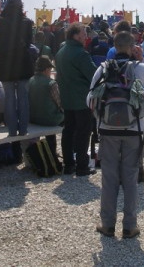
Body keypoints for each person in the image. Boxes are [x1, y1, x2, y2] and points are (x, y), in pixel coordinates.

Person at [90, 31, 144, 239]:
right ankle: (130, 226)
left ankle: (107, 224)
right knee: (130, 178)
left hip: (107, 130)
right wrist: (143, 59)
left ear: (114, 46)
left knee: (109, 178)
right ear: (132, 47)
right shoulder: (138, 68)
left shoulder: (103, 68)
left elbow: (90, 98)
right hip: (133, 130)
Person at [55, 22, 98, 176]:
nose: (86, 37)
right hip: (81, 99)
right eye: (83, 34)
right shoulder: (81, 54)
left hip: (66, 98)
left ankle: (68, 165)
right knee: (83, 132)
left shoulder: (61, 51)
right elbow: (93, 75)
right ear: (75, 36)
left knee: (68, 131)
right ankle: (82, 166)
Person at [0, 0, 35, 137]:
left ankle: (12, 131)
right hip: (22, 64)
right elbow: (29, 43)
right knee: (23, 98)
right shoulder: (27, 22)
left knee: (9, 99)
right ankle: (23, 130)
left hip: (6, 66)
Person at [28, 55, 64, 160]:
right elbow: (60, 103)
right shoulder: (51, 83)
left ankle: (39, 154)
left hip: (33, 118)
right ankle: (53, 153)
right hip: (49, 120)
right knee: (66, 118)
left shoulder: (30, 81)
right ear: (46, 69)